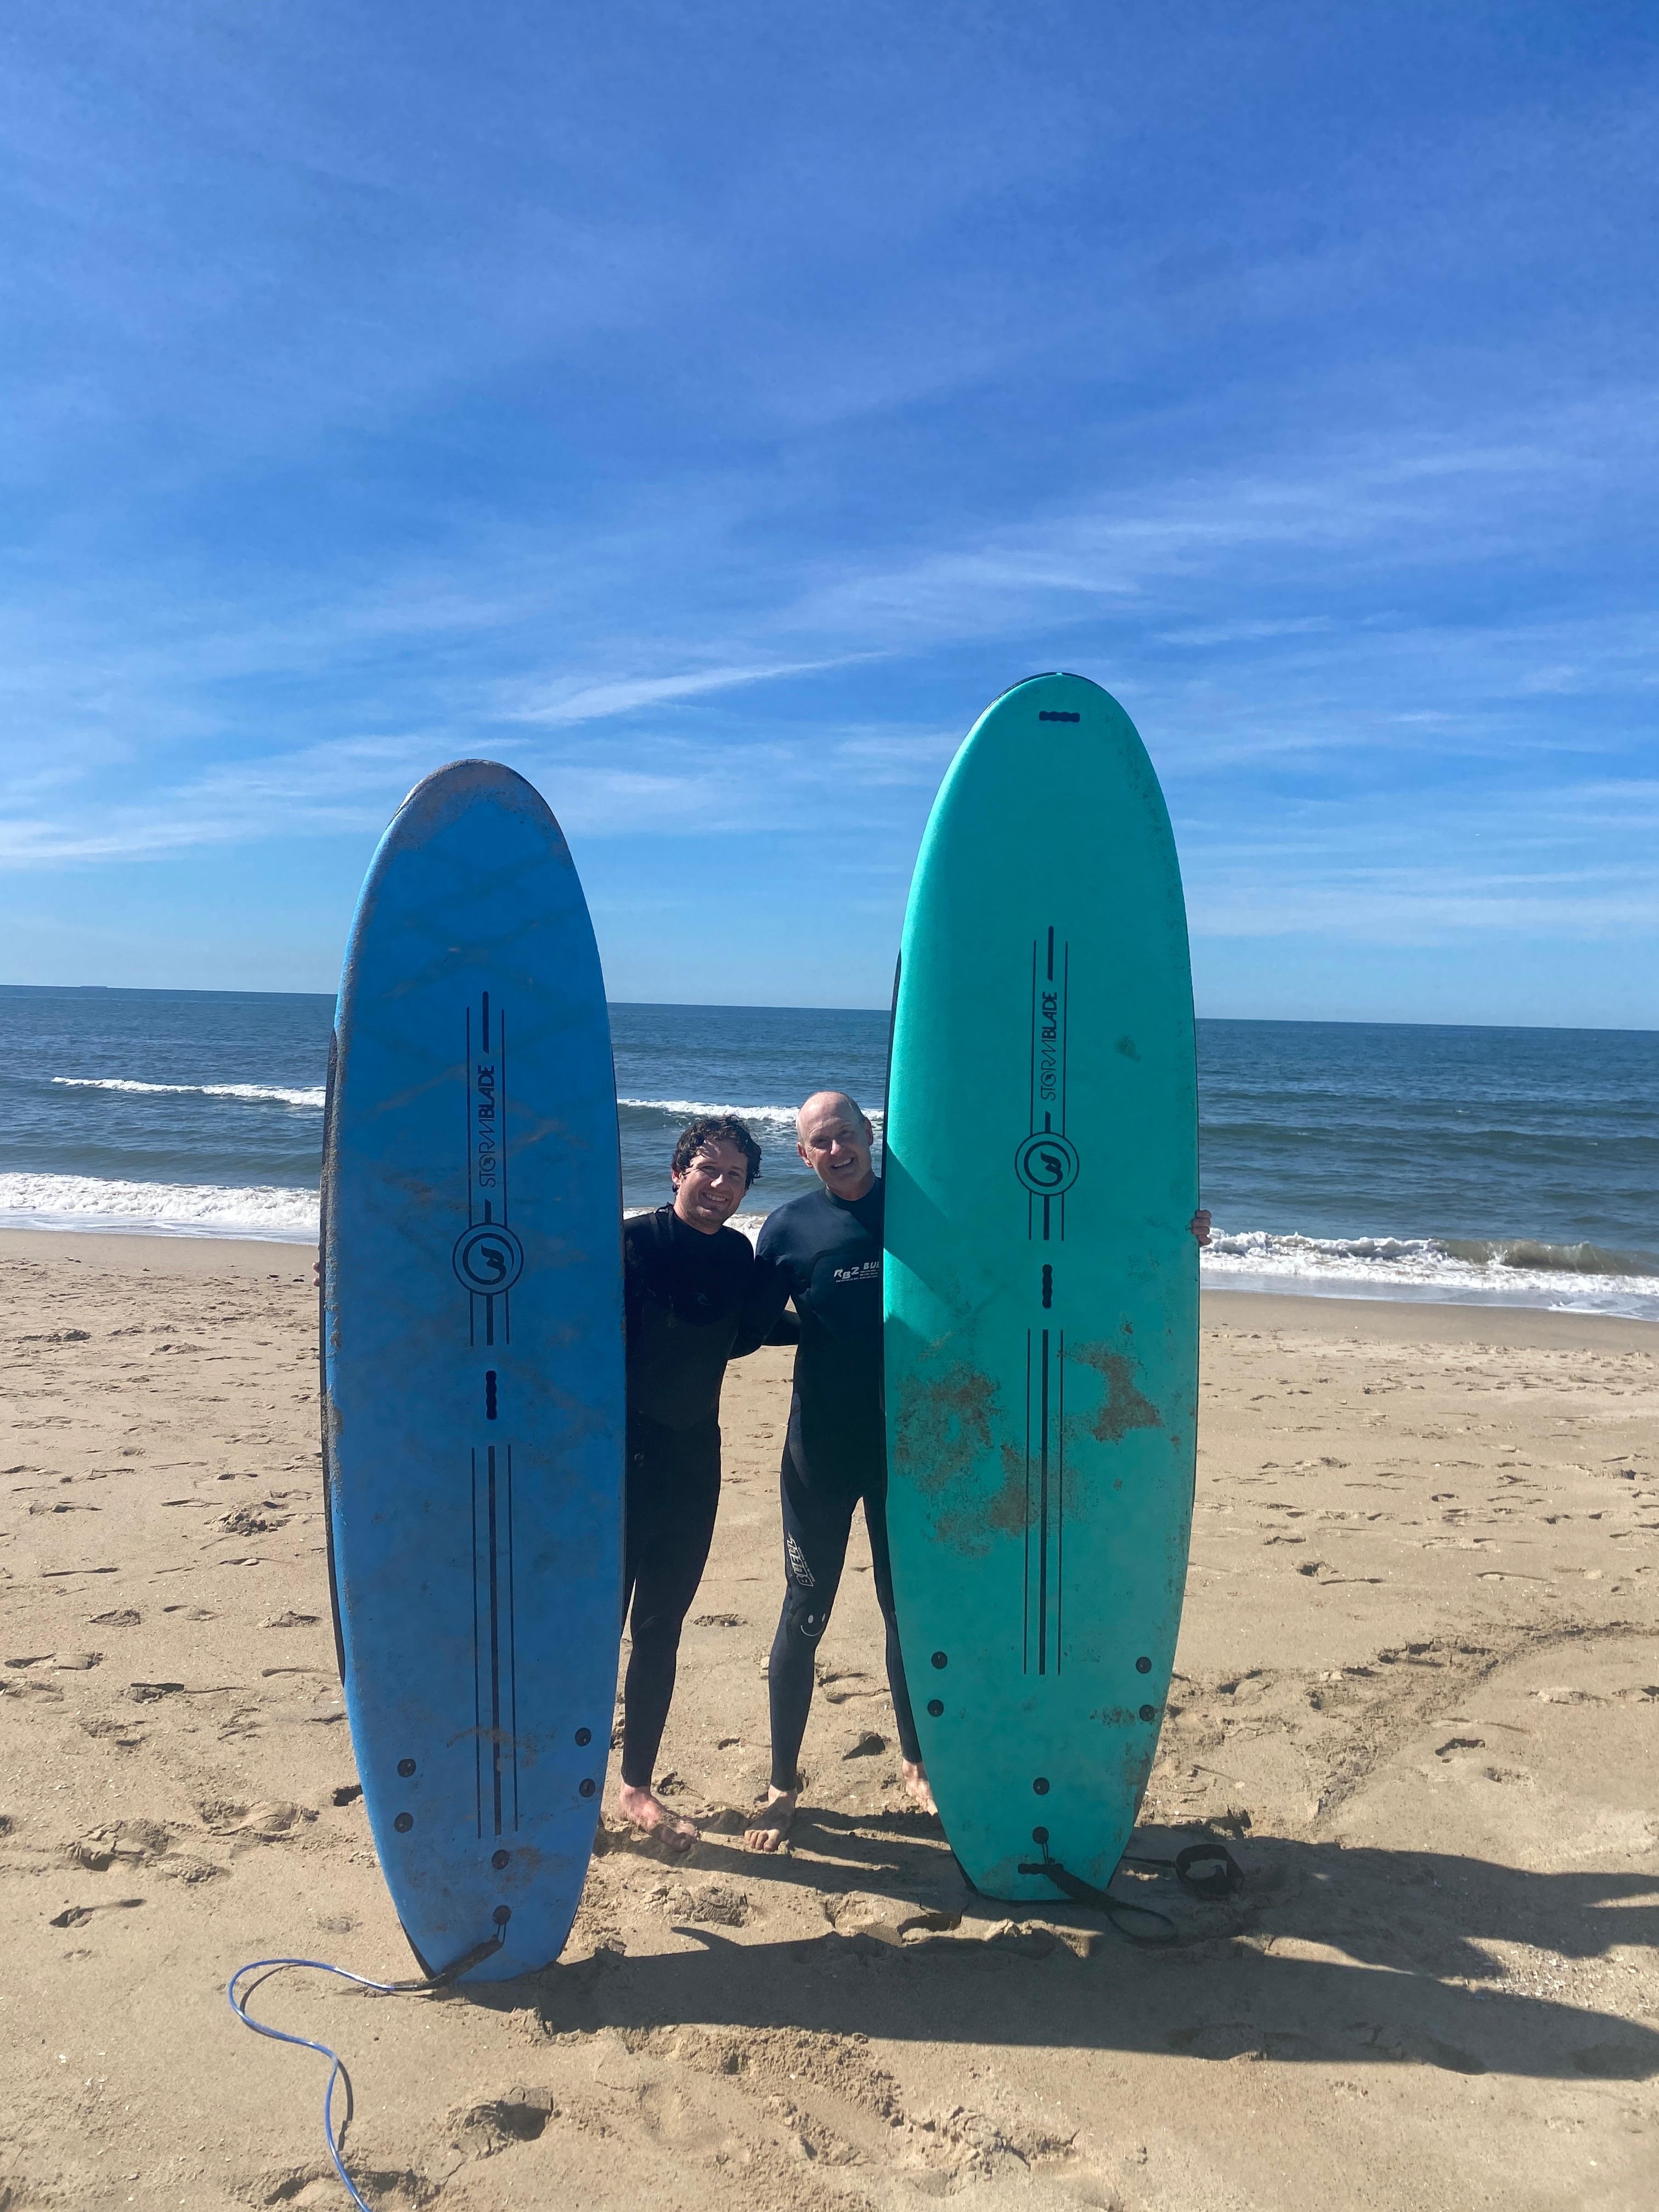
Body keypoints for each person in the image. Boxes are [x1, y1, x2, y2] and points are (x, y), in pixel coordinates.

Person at [741, 1090, 1213, 1853]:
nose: (836, 1150)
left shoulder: (925, 1212)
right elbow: (748, 1320)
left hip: (913, 1451)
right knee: (805, 1610)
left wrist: (1166, 1229)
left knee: (907, 1609)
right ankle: (781, 1785)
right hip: (820, 1454)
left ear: (871, 1134)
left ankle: (917, 1759)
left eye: (846, 1134)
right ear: (804, 1154)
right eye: (820, 1142)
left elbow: (1042, 1235)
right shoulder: (790, 1228)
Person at [617, 1113, 766, 1852]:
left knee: (660, 1629)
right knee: (593, 1629)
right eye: (707, 1168)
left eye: (735, 1175)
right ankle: (566, 1780)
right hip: (615, 1467)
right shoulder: (630, 1242)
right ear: (678, 1172)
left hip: (692, 1465)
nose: (719, 1185)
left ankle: (635, 1786)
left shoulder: (739, 1256)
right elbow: (529, 1300)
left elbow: (756, 1328)